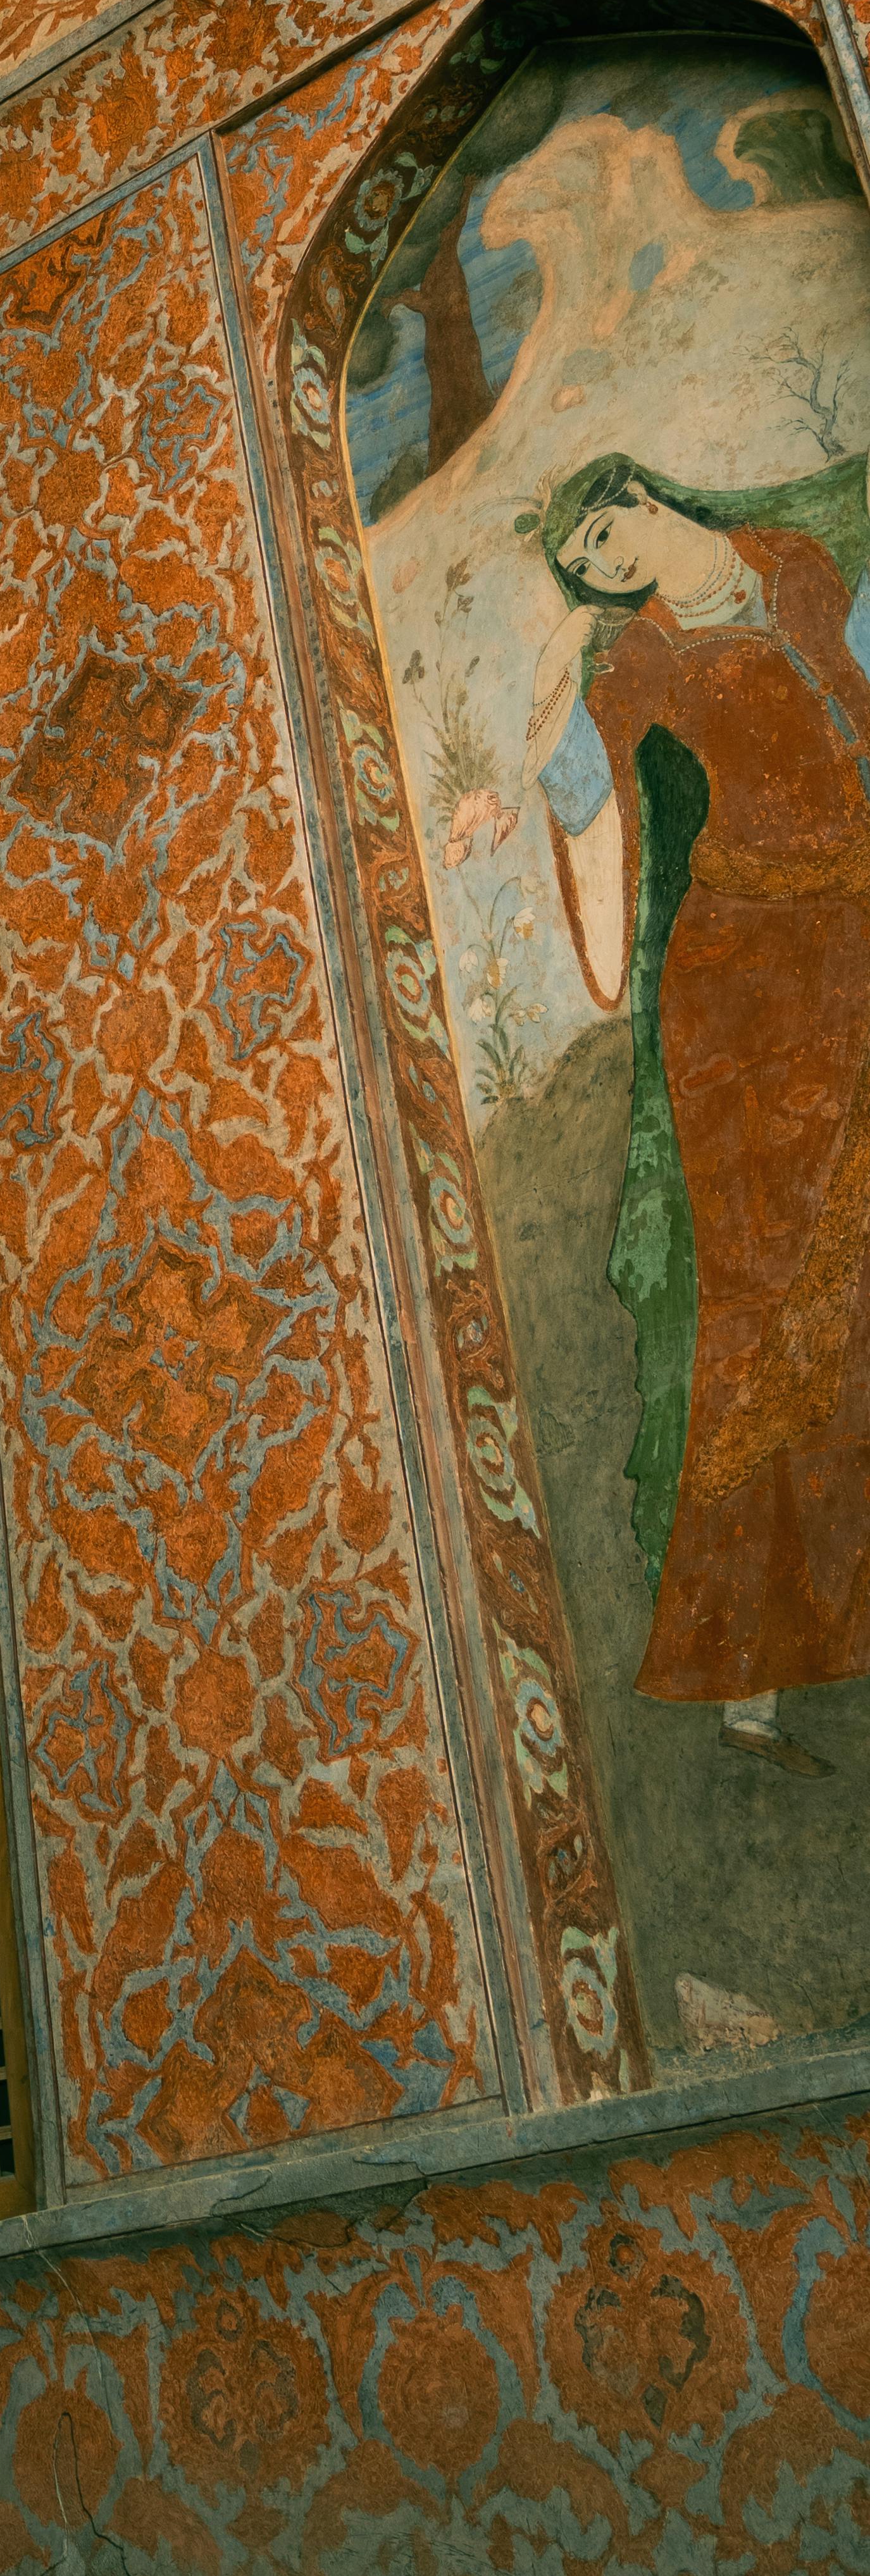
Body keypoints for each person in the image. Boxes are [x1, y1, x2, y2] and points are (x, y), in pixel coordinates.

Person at [525, 448, 870, 1773]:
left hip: (851, 920)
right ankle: (745, 1684)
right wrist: (558, 663)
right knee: (765, 1293)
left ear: (648, 497)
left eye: (608, 537)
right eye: (589, 568)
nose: (610, 567)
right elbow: (579, 788)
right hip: (747, 980)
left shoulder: (790, 561)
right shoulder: (640, 658)